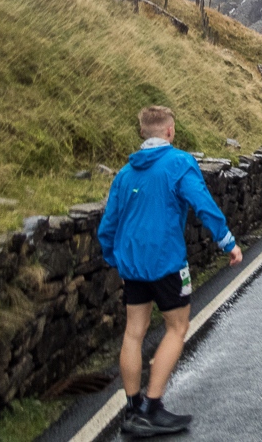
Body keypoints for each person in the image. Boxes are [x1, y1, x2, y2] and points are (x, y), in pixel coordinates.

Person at [98, 106, 243, 436]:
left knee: (134, 331)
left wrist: (114, 257)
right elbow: (203, 204)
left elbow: (108, 225)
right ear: (169, 131)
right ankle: (152, 407)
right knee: (177, 328)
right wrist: (228, 243)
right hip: (166, 262)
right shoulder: (179, 163)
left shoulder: (125, 173)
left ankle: (133, 409)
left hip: (132, 263)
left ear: (143, 133)